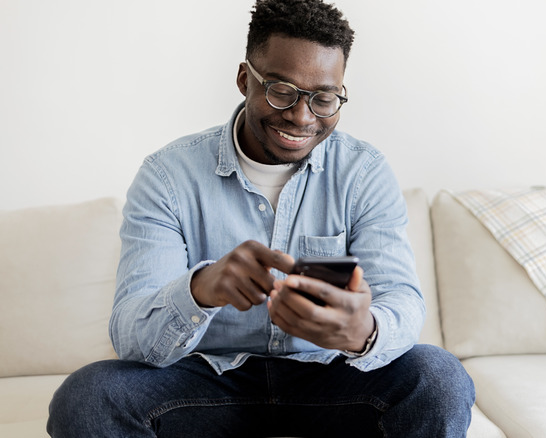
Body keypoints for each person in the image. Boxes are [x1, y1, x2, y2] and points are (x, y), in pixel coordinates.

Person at [47, 0, 475, 436]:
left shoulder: (363, 173)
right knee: (88, 395)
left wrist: (363, 331)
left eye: (324, 98)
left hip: (331, 378)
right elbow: (130, 336)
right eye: (281, 91)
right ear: (243, 79)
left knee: (438, 375)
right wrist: (200, 290)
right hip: (207, 380)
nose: (302, 116)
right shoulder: (168, 176)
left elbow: (401, 299)